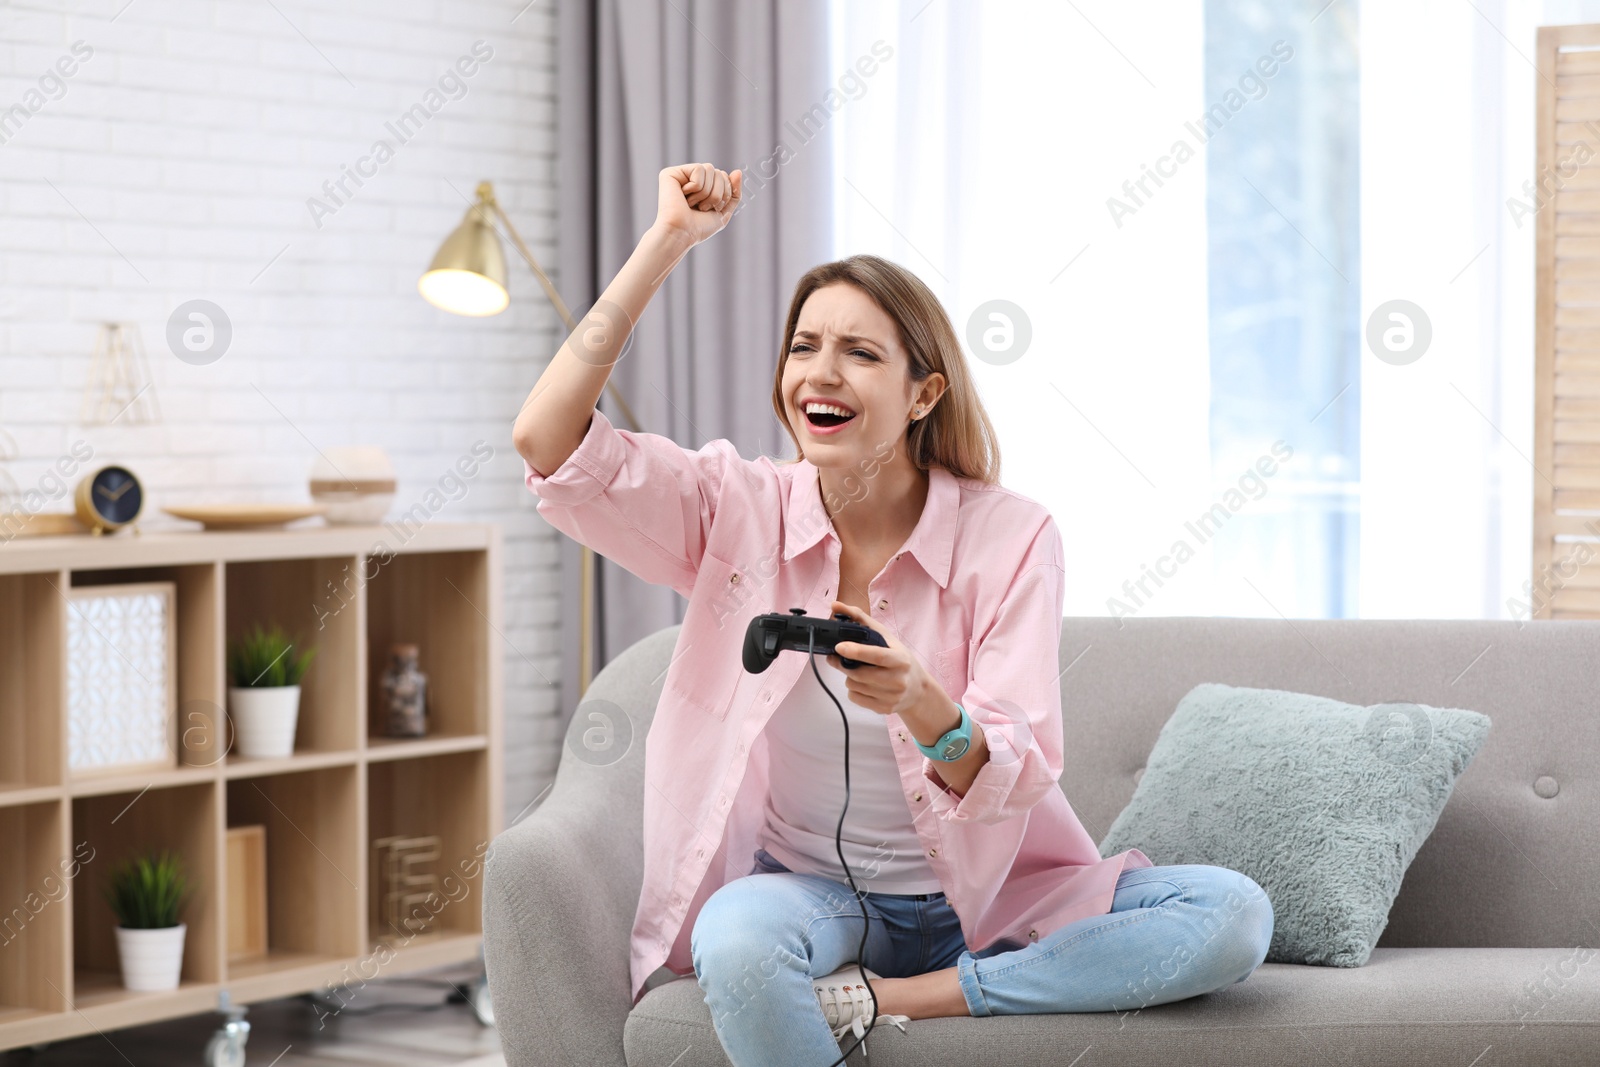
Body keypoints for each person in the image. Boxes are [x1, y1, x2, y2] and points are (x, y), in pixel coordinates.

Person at [513, 162, 1275, 1067]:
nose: (818, 374)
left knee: (1233, 913)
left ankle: (912, 997)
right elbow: (548, 441)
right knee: (737, 940)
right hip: (812, 896)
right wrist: (666, 241)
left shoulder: (1013, 537)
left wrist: (923, 703)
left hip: (989, 904)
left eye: (860, 352)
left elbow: (1018, 761)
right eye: (803, 346)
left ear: (923, 394)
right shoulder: (737, 510)